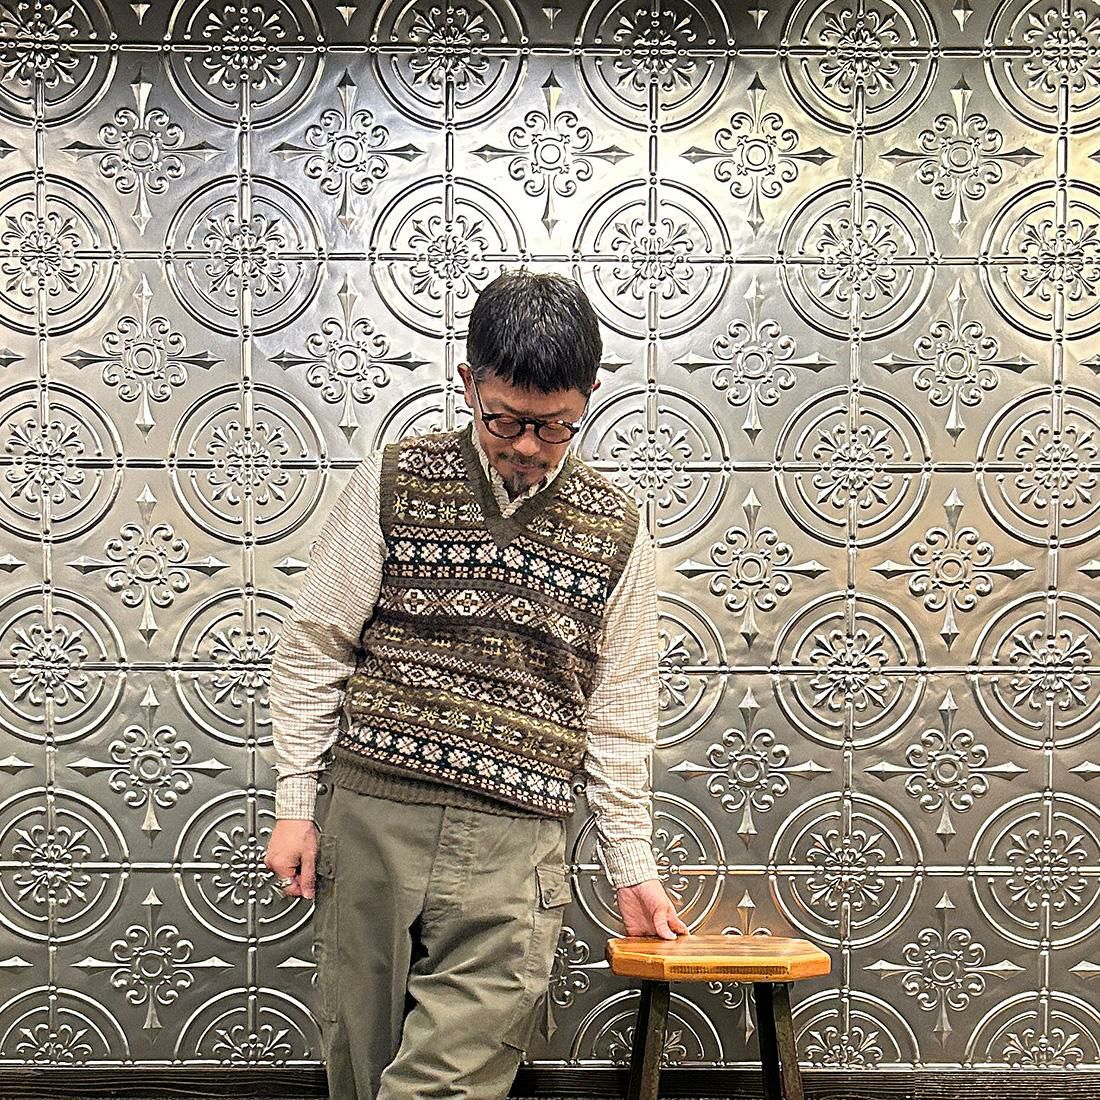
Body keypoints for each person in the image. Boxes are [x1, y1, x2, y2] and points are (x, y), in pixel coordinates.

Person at [264, 270, 687, 1100]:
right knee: (360, 1073)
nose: (528, 446)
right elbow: (316, 646)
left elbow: (618, 714)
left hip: (515, 848)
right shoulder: (392, 479)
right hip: (374, 820)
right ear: (468, 383)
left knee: (447, 1085)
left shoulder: (619, 529)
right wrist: (294, 803)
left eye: (555, 426)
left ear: (588, 399)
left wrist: (630, 864)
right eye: (505, 419)